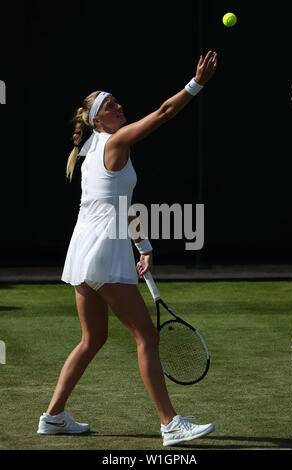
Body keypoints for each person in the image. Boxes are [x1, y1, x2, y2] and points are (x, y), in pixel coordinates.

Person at [37, 50, 217, 446]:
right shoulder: (115, 140)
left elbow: (119, 201)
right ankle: (171, 424)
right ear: (98, 120)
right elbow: (165, 113)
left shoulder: (90, 153)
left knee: (92, 339)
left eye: (116, 101)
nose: (118, 106)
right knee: (146, 338)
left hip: (82, 251)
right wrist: (197, 84)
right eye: (109, 105)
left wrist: (144, 245)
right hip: (102, 251)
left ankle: (53, 416)